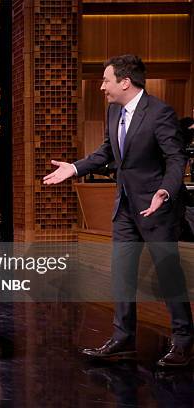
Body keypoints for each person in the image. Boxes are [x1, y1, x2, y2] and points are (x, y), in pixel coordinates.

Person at [43, 54, 193, 367]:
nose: (102, 87)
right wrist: (75, 167)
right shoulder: (114, 112)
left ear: (125, 81)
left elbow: (177, 159)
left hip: (156, 207)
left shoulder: (160, 113)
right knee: (122, 272)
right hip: (124, 207)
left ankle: (183, 341)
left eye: (106, 80)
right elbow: (107, 152)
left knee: (168, 274)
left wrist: (165, 191)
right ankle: (123, 337)